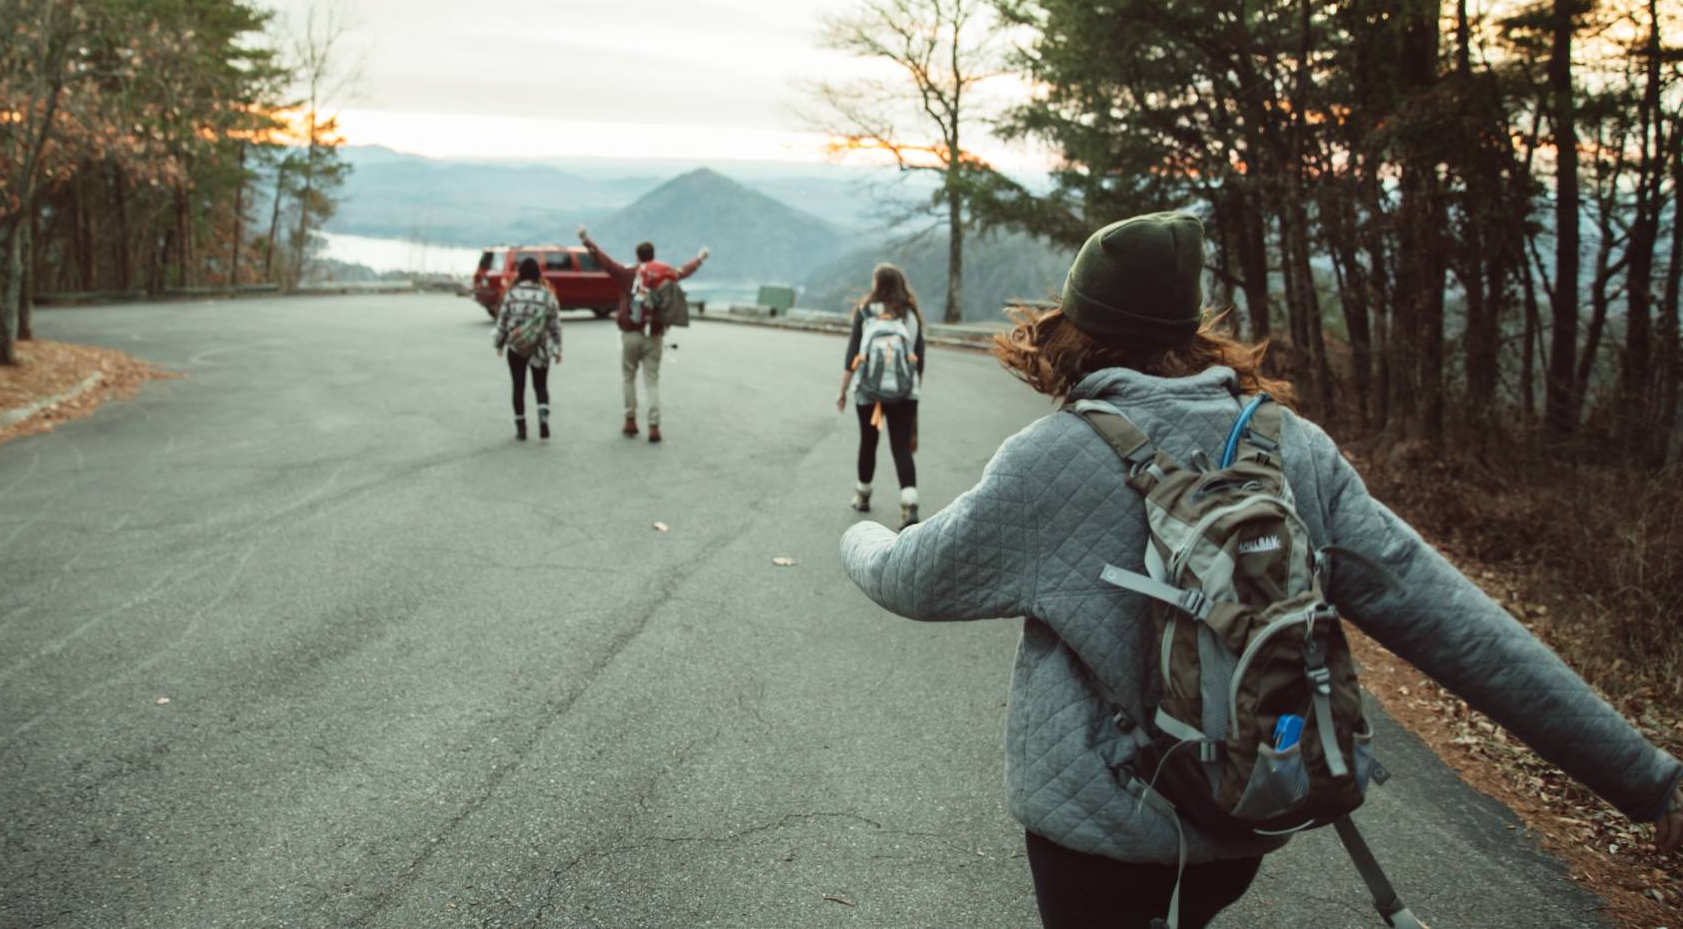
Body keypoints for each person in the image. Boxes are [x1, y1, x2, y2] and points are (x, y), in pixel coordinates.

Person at [839, 211, 1683, 929]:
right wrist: (1651, 783)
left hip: (1100, 837)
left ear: (1080, 325)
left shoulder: (1050, 459)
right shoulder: (1293, 448)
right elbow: (1456, 621)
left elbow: (912, 578)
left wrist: (862, 535)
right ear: (1187, 329)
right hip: (1238, 815)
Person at [576, 225, 707, 444]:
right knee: (652, 382)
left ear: (637, 256)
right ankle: (654, 427)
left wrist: (585, 240)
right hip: (654, 334)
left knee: (628, 377)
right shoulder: (664, 274)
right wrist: (700, 258)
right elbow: (685, 270)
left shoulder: (628, 274)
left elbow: (604, 261)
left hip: (630, 333)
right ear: (653, 257)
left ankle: (630, 420)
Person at [836, 263, 926, 529]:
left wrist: (842, 391)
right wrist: (913, 391)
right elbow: (919, 359)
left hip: (868, 391)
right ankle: (909, 501)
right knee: (901, 446)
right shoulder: (910, 315)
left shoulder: (866, 312)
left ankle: (863, 495)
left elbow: (852, 356)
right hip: (904, 392)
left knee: (868, 440)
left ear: (878, 284)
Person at [491, 255, 562, 441]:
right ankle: (543, 418)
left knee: (518, 386)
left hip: (516, 348)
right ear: (538, 273)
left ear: (520, 273)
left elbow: (502, 322)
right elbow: (555, 324)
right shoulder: (546, 295)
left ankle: (521, 428)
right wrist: (557, 348)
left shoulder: (512, 294)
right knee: (540, 385)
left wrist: (499, 343)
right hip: (540, 347)